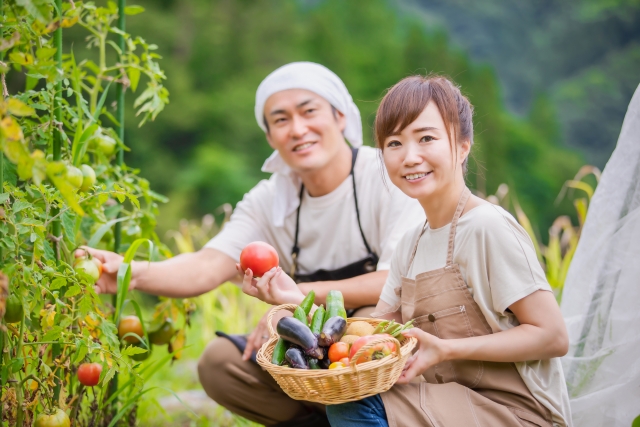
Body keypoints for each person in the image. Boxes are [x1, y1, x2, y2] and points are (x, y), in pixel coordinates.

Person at [81, 62, 425, 427]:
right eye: (280, 120)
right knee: (221, 364)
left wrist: (298, 298)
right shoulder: (270, 199)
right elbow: (207, 263)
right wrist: (130, 273)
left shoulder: (384, 176)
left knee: (372, 318)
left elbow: (394, 282)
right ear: (270, 137)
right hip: (312, 351)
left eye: (309, 111)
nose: (297, 129)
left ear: (340, 117)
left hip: (374, 344)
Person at [244, 75, 572, 427]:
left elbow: (552, 336)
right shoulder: (411, 243)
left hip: (515, 412)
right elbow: (375, 337)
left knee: (356, 409)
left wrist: (448, 350)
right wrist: (296, 301)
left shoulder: (486, 227)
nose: (410, 157)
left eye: (426, 138)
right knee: (352, 398)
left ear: (462, 146)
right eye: (395, 143)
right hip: (446, 401)